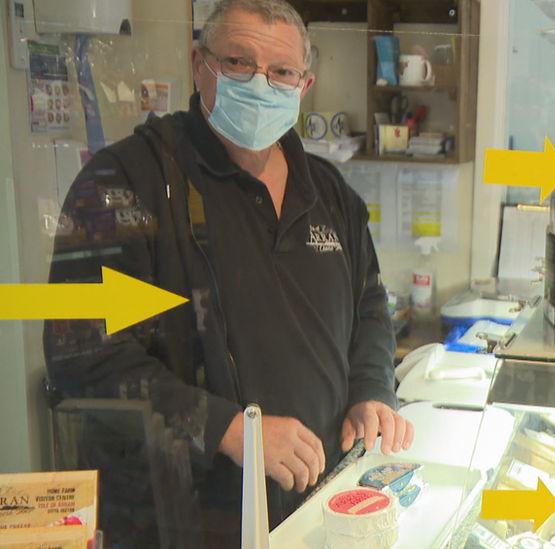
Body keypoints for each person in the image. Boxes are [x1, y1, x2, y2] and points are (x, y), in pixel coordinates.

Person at [43, 0, 412, 545]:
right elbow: (81, 355)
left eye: (281, 72)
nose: (260, 84)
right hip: (186, 524)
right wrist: (228, 428)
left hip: (319, 513)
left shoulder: (332, 194)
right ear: (199, 64)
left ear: (303, 86)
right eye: (238, 62)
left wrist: (372, 389)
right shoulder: (124, 180)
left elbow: (369, 307)